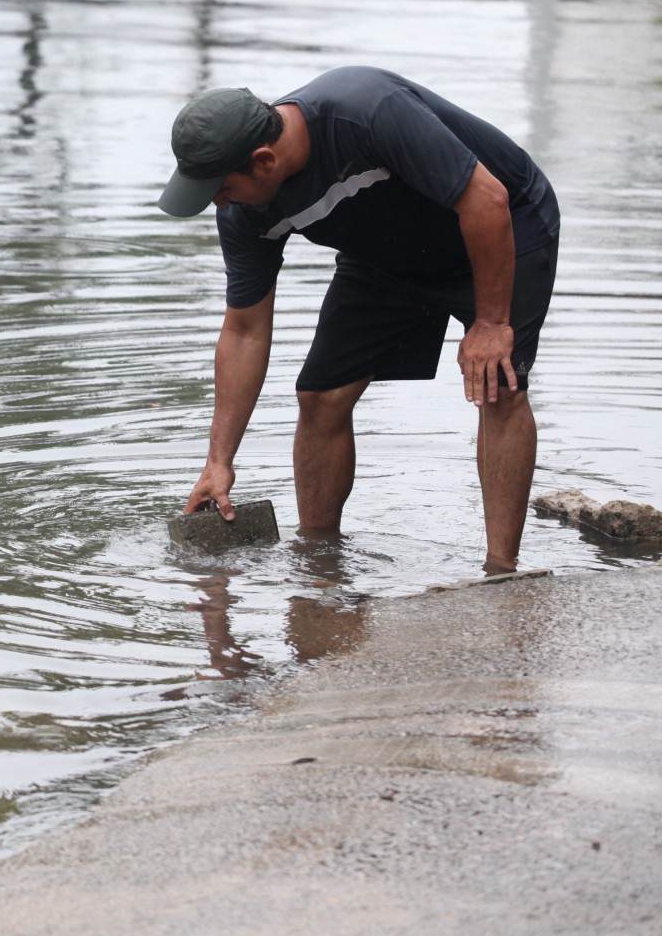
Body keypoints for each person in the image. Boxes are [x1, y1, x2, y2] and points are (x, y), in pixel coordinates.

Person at [157, 65, 560, 575]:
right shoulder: (245, 213)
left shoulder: (367, 112)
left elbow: (487, 197)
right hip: (386, 253)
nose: (219, 203)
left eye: (220, 188)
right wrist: (219, 461)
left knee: (497, 386)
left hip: (501, 223)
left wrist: (491, 324)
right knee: (321, 397)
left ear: (263, 161)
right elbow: (244, 330)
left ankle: (501, 573)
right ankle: (320, 568)